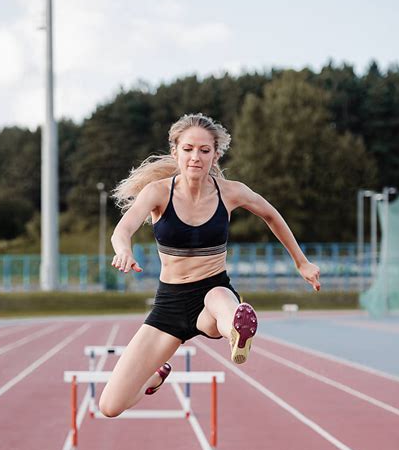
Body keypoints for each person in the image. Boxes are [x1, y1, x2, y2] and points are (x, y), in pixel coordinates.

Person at [99, 113, 320, 418]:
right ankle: (154, 377)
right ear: (175, 151)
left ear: (216, 154)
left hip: (212, 293)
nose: (196, 157)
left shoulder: (229, 192)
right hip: (170, 305)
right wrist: (123, 251)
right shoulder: (157, 193)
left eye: (204, 150)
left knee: (219, 300)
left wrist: (302, 262)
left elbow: (271, 215)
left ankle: (238, 331)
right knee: (109, 406)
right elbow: (122, 230)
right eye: (188, 149)